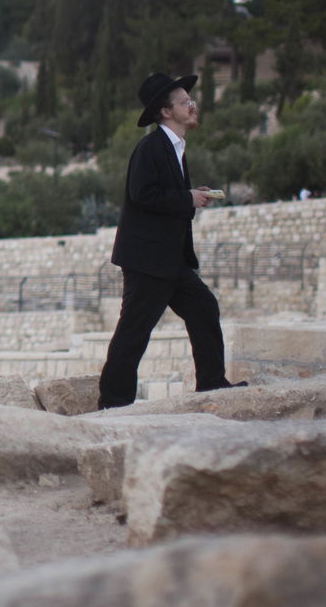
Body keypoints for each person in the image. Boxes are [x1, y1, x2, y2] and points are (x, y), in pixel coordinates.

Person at [97, 73, 245, 410]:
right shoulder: (151, 147)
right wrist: (187, 198)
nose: (192, 105)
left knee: (204, 308)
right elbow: (142, 194)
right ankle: (113, 402)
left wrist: (192, 196)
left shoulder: (175, 149)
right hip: (148, 260)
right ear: (166, 112)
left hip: (170, 258)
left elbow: (166, 197)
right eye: (184, 102)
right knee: (135, 331)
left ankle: (211, 382)